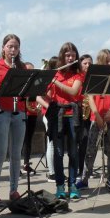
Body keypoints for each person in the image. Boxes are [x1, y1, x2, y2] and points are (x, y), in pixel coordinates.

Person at [0, 34, 27, 206]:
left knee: (16, 154)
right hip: (1, 112)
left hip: (19, 112)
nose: (13, 50)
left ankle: (13, 190)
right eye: (10, 46)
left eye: (16, 47)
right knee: (1, 153)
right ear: (3, 47)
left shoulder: (22, 67)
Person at [39, 43, 82, 199]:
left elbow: (73, 91)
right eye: (67, 55)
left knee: (73, 153)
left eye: (73, 55)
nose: (70, 58)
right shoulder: (55, 74)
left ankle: (73, 186)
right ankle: (59, 186)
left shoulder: (78, 75)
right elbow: (45, 96)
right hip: (57, 117)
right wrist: (44, 82)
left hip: (73, 116)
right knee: (58, 153)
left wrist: (55, 81)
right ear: (62, 56)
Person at [81, 49, 110, 191]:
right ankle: (84, 179)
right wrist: (97, 116)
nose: (109, 63)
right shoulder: (94, 75)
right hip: (97, 117)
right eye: (106, 60)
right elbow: (90, 97)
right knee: (91, 149)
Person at [21, 61, 39, 176]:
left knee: (28, 140)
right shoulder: (21, 84)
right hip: (23, 113)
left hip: (33, 113)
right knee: (20, 141)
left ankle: (26, 163)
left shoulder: (35, 84)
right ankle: (19, 166)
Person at [77, 54, 93, 181]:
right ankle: (80, 169)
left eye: (90, 63)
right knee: (82, 141)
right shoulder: (78, 77)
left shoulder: (92, 78)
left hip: (91, 113)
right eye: (85, 63)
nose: (88, 66)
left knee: (88, 142)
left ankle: (87, 169)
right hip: (79, 112)